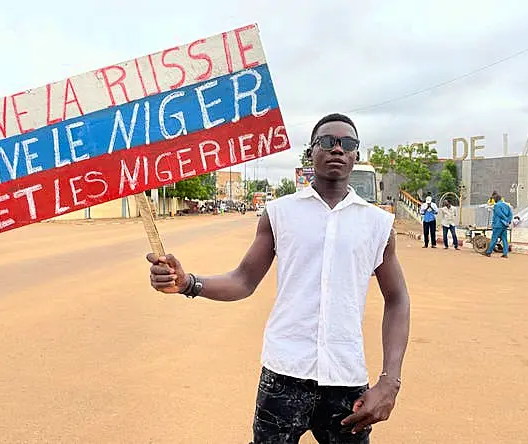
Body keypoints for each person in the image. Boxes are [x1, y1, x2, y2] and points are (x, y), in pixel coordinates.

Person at [148, 113, 410, 443]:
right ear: (311, 152)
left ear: (356, 155)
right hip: (284, 376)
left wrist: (390, 381)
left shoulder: (376, 225)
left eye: (348, 144)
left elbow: (397, 299)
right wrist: (188, 283)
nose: (337, 149)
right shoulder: (280, 213)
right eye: (327, 142)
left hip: (345, 380)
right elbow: (243, 280)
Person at [485, 192, 513, 258]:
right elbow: (510, 214)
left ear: (495, 199)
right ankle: (505, 253)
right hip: (504, 225)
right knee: (504, 240)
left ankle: (489, 252)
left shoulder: (496, 205)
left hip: (498, 225)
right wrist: (507, 221)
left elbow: (499, 214)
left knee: (494, 239)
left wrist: (505, 219)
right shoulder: (507, 205)